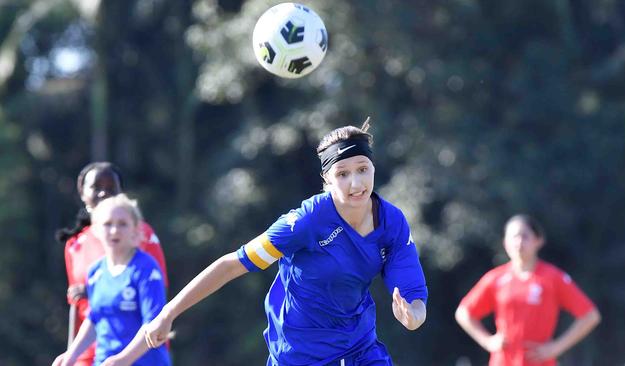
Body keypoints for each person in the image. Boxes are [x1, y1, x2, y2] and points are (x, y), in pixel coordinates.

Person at [100, 119, 428, 366]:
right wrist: (168, 313)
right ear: (326, 180)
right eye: (342, 173)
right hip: (299, 353)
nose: (355, 183)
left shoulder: (392, 222)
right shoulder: (306, 222)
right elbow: (232, 264)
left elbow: (412, 294)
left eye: (362, 169)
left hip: (359, 347)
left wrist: (414, 315)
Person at [55, 162, 169, 366]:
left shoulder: (145, 268)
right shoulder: (96, 270)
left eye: (122, 225)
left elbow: (155, 322)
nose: (114, 231)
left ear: (137, 231)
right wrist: (70, 355)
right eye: (107, 225)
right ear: (97, 230)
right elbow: (93, 317)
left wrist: (123, 359)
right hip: (101, 360)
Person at [455, 214, 601, 366]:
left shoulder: (552, 278)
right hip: (503, 361)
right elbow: (464, 312)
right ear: (505, 242)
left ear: (538, 240)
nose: (518, 243)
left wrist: (556, 347)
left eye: (524, 236)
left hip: (540, 362)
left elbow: (590, 315)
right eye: (513, 237)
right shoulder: (496, 278)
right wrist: (487, 341)